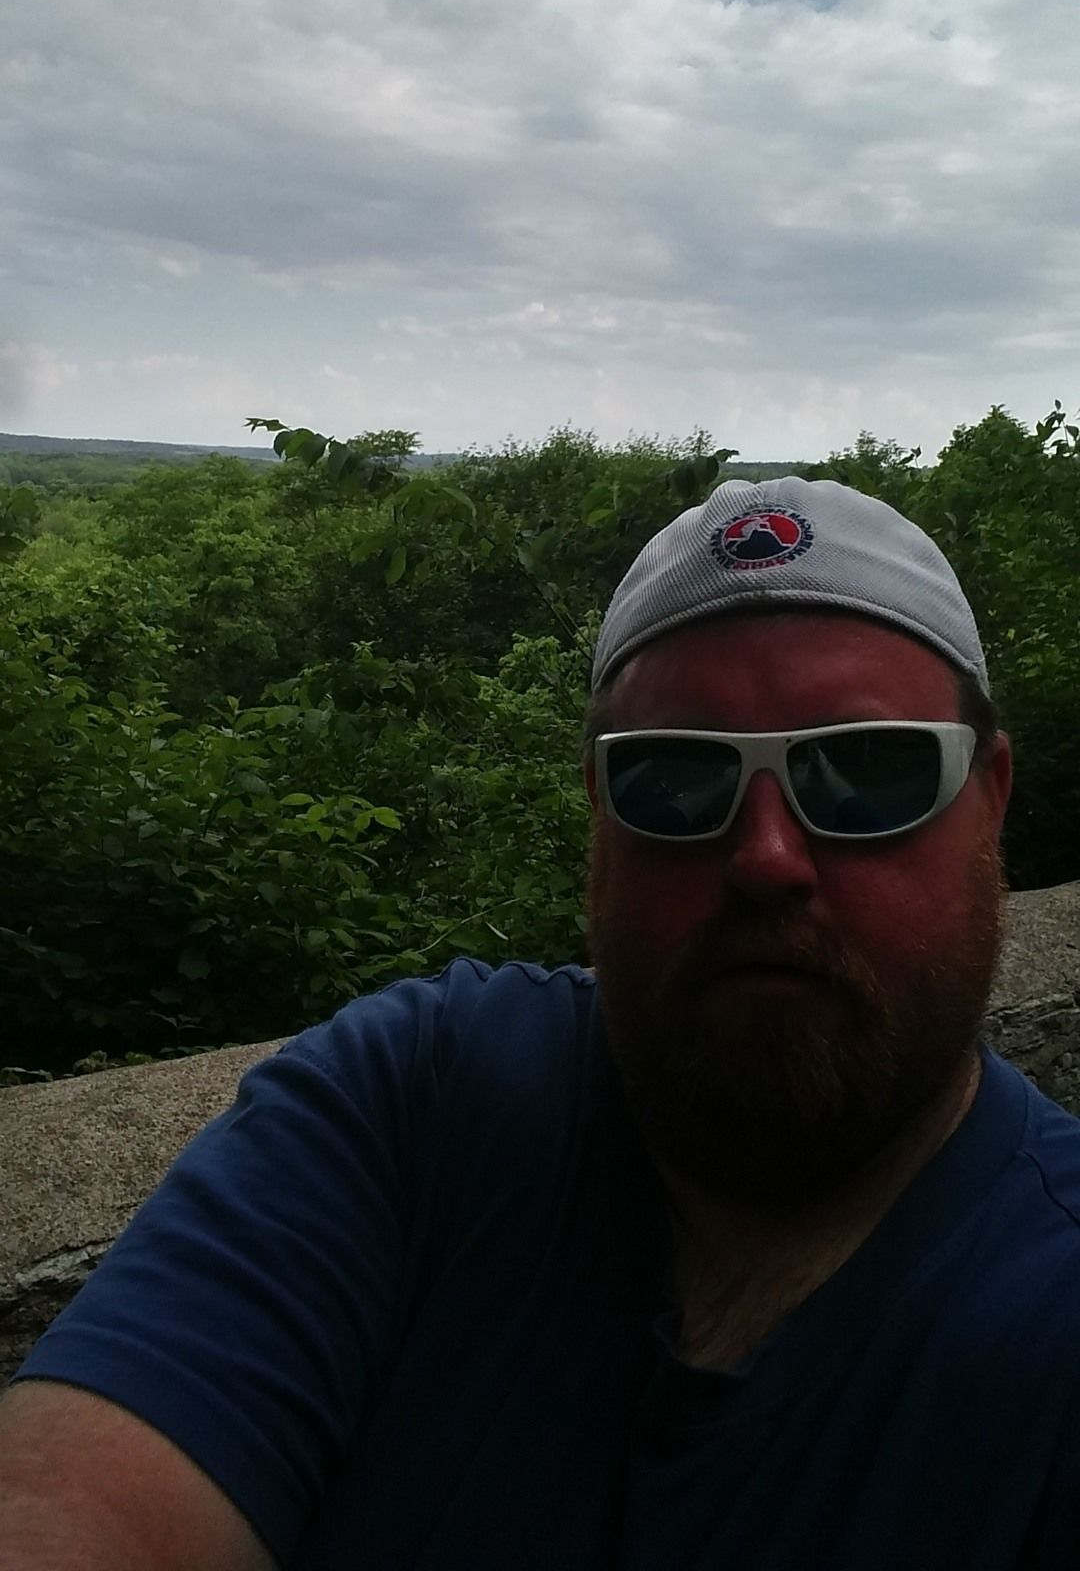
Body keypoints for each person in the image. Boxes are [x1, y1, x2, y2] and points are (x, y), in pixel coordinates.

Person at [3, 475, 1079, 1571]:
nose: (766, 858)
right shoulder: (411, 1107)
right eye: (675, 779)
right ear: (599, 814)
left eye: (869, 772)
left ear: (988, 796)